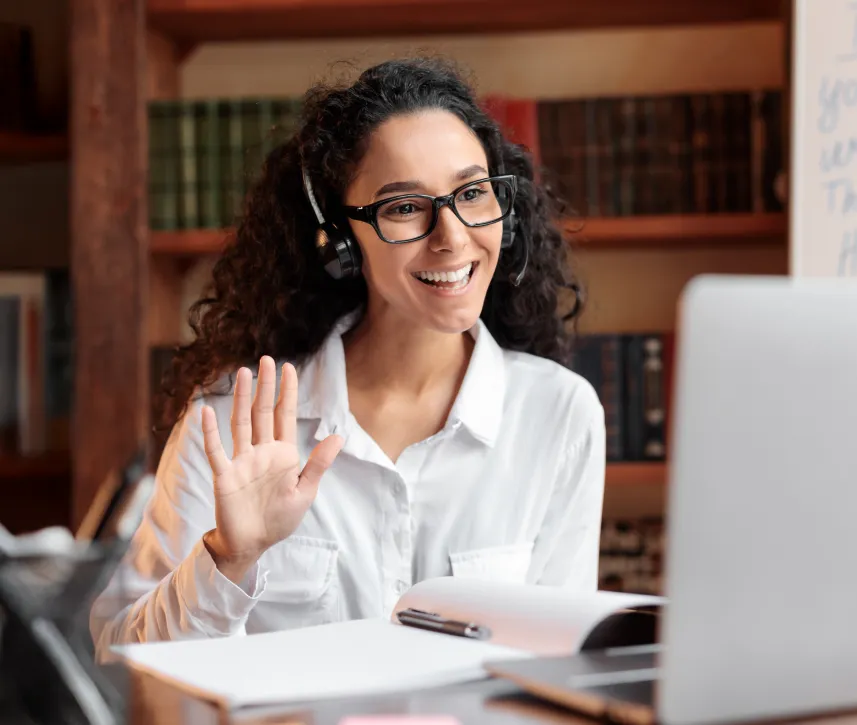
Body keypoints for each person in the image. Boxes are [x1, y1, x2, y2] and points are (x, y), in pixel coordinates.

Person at [89, 57, 605, 657]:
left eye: (471, 193)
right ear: (340, 241)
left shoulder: (559, 414)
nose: (454, 237)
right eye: (405, 207)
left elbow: (567, 664)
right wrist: (228, 560)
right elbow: (112, 661)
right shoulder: (233, 420)